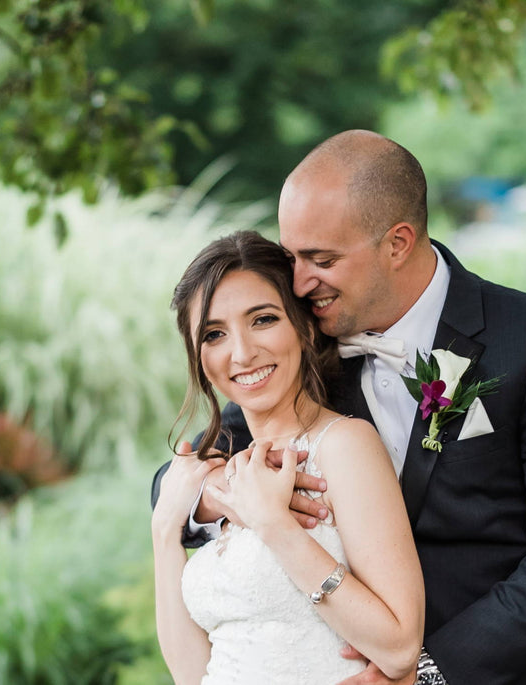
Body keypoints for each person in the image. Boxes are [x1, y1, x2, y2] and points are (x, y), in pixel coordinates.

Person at [155, 129, 526, 684]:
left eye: (321, 258)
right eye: (291, 257)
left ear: (398, 243)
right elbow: (183, 474)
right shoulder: (304, 348)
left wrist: (427, 673)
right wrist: (217, 495)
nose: (300, 282)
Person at [151, 231, 425, 685]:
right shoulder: (226, 472)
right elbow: (191, 675)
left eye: (262, 320)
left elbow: (398, 649)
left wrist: (274, 526)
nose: (241, 353)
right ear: (198, 356)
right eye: (214, 334)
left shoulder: (344, 445)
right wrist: (164, 531)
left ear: (301, 326)